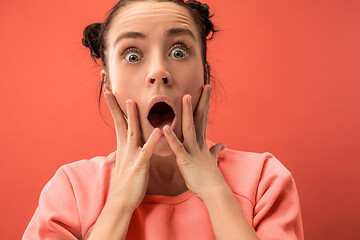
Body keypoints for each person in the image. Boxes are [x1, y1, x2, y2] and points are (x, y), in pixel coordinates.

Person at [22, 0, 304, 239]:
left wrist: (216, 193)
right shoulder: (71, 190)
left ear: (204, 75)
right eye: (132, 55)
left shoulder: (264, 181)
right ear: (108, 84)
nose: (158, 71)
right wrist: (118, 205)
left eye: (178, 52)